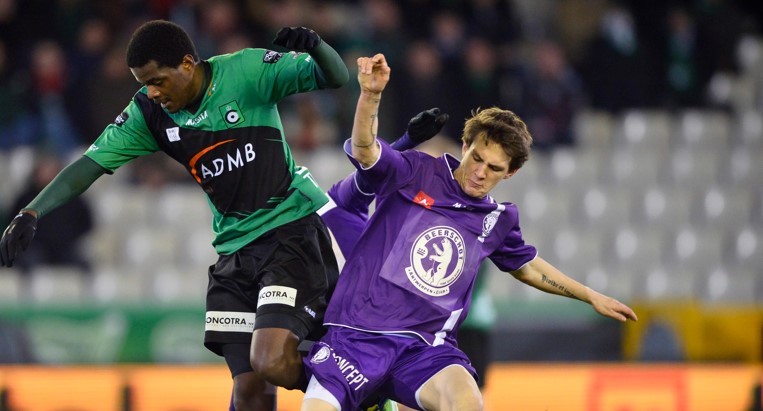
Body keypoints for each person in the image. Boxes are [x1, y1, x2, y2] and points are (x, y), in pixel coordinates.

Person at [0, 20, 349, 411]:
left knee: (268, 360)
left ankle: (352, 385)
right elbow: (90, 164)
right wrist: (32, 210)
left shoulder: (247, 72)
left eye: (157, 80)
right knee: (249, 392)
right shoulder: (149, 112)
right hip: (234, 254)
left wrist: (315, 45)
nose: (152, 91)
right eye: (143, 82)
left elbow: (334, 75)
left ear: (187, 63)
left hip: (289, 234)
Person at [300, 53, 638, 411]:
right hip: (356, 336)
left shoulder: (497, 219)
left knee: (468, 402)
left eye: (494, 168)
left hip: (423, 349)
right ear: (465, 146)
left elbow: (528, 267)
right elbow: (365, 150)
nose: (480, 172)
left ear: (510, 174)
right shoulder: (415, 171)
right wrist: (370, 95)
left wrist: (589, 296)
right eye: (477, 158)